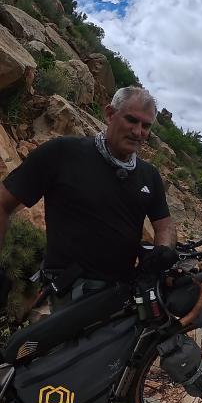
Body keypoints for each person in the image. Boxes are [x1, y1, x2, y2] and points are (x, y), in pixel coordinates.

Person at [0, 86, 177, 306]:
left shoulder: (149, 175)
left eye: (146, 126)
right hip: (66, 295)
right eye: (131, 120)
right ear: (110, 114)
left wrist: (161, 254)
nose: (138, 131)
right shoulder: (62, 153)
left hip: (122, 296)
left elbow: (164, 226)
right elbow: (3, 203)